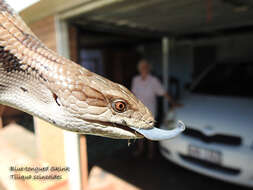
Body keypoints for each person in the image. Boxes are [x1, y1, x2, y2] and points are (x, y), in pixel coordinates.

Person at [131, 59, 178, 159]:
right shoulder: (135, 80)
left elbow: (163, 92)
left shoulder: (153, 80)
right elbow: (133, 95)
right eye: (142, 67)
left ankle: (151, 152)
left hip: (150, 111)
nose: (144, 69)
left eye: (146, 67)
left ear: (149, 68)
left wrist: (173, 103)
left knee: (149, 134)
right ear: (139, 69)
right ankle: (140, 150)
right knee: (139, 133)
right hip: (138, 112)